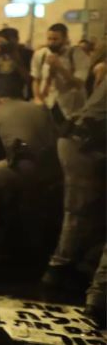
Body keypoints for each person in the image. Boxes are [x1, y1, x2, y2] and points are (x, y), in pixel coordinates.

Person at [0, 87, 59, 258]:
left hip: (25, 166)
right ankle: (36, 244)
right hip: (54, 168)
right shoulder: (41, 109)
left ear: (0, 101)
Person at [42, 49, 105, 296]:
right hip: (83, 143)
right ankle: (58, 269)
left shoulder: (101, 69)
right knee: (78, 210)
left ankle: (81, 265)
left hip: (82, 141)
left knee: (90, 209)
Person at [31, 23, 89, 125]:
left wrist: (60, 68)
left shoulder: (77, 55)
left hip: (70, 107)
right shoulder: (41, 54)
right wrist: (38, 98)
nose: (51, 42)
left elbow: (79, 83)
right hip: (48, 103)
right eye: (49, 39)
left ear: (65, 39)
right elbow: (36, 79)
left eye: (55, 39)